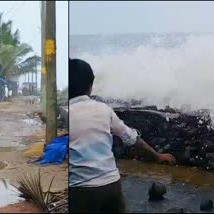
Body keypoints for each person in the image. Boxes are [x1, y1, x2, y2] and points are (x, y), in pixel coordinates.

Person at [69, 59, 176, 213]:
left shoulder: (67, 113)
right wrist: (157, 156)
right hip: (112, 186)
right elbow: (131, 138)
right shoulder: (104, 109)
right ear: (90, 86)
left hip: (81, 190)